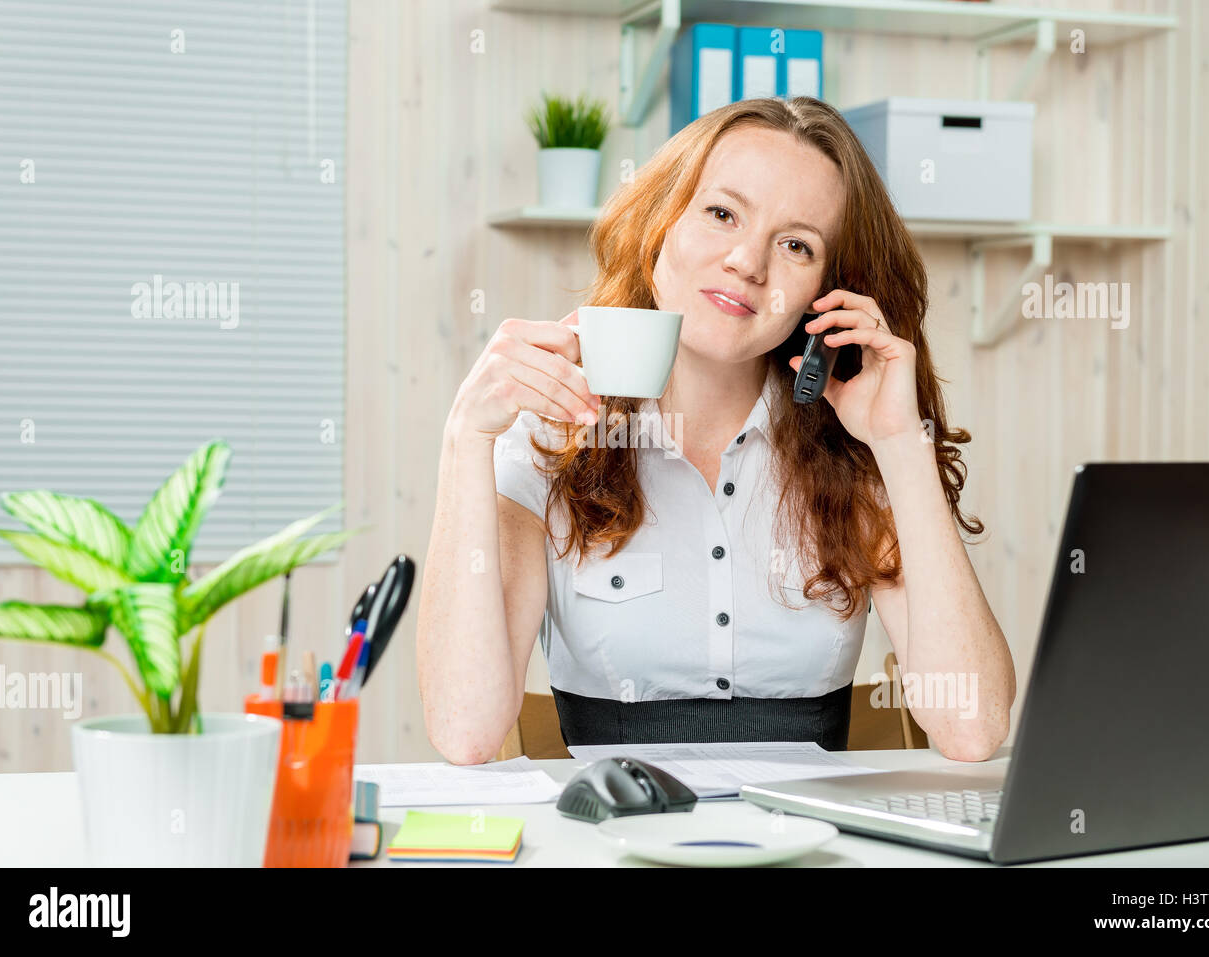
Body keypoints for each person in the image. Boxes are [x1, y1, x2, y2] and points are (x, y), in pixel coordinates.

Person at [417, 96, 1014, 765]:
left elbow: (974, 727)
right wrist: (466, 438)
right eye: (722, 213)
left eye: (796, 244)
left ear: (828, 291)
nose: (748, 262)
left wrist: (902, 444)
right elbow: (466, 731)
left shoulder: (859, 450)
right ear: (659, 229)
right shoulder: (553, 436)